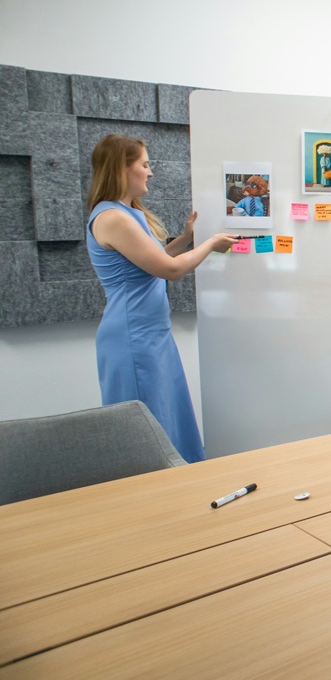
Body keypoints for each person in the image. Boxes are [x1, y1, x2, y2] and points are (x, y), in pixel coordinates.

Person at [86, 134, 238, 463]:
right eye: (144, 164)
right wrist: (210, 244)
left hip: (152, 334)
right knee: (146, 434)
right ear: (122, 169)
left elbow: (149, 264)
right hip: (132, 339)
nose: (150, 172)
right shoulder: (112, 218)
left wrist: (185, 239)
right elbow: (168, 270)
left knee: (168, 421)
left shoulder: (127, 213)